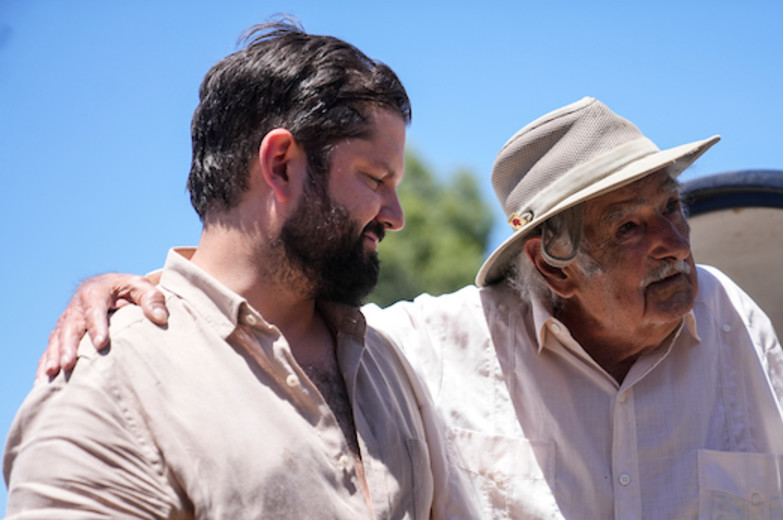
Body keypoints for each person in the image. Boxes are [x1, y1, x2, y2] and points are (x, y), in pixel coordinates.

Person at [33, 97, 783, 518]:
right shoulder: (420, 349)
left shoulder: (733, 321)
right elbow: (259, 321)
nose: (673, 241)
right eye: (629, 225)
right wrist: (144, 290)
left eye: (672, 209)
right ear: (549, 259)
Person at [3, 19, 478, 519]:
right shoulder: (109, 387)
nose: (395, 217)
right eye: (375, 178)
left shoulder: (390, 369)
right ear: (281, 165)